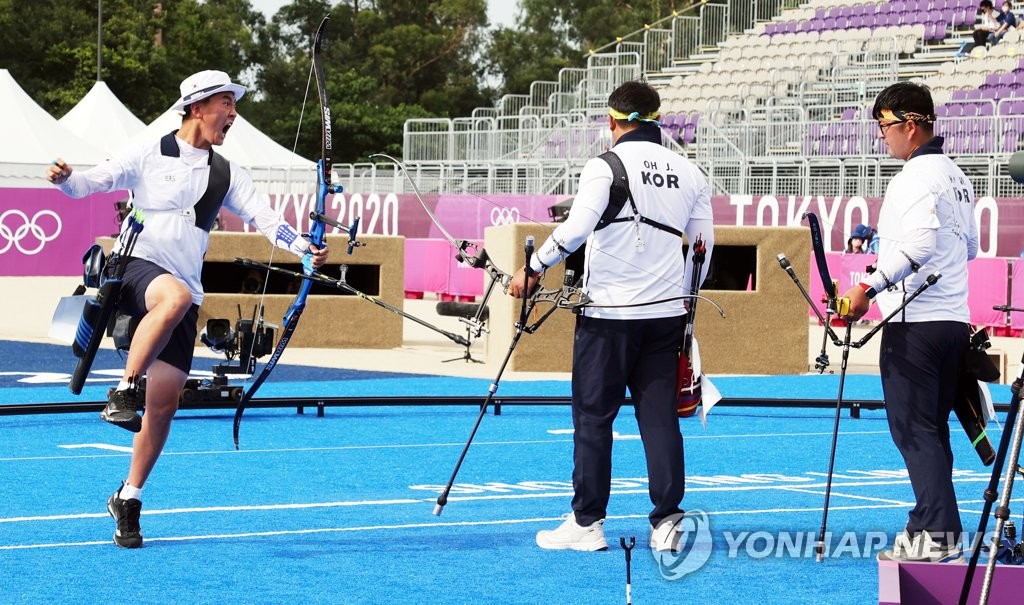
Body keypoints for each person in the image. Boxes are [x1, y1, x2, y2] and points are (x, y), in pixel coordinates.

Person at [46, 70, 329, 548]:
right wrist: (68, 178)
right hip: (135, 268)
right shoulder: (150, 149)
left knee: (163, 407)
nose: (234, 114)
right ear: (197, 106)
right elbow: (92, 181)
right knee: (171, 298)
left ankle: (129, 497)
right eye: (226, 104)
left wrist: (303, 245)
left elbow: (265, 218)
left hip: (184, 291)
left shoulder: (228, 171)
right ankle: (122, 389)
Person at [510, 81, 714, 552]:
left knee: (593, 418)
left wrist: (534, 267)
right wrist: (683, 308)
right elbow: (702, 252)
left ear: (612, 121)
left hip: (608, 318)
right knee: (660, 419)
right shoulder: (691, 172)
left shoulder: (605, 166)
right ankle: (667, 523)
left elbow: (576, 229)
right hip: (666, 316)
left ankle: (586, 524)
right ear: (658, 119)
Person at [840, 82, 978, 563]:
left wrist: (867, 287)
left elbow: (919, 247)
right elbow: (972, 249)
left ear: (911, 125)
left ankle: (938, 534)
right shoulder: (957, 175)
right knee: (931, 428)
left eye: (886, 127)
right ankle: (928, 523)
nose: (883, 137)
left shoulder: (913, 177)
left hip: (916, 322)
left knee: (912, 428)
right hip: (952, 321)